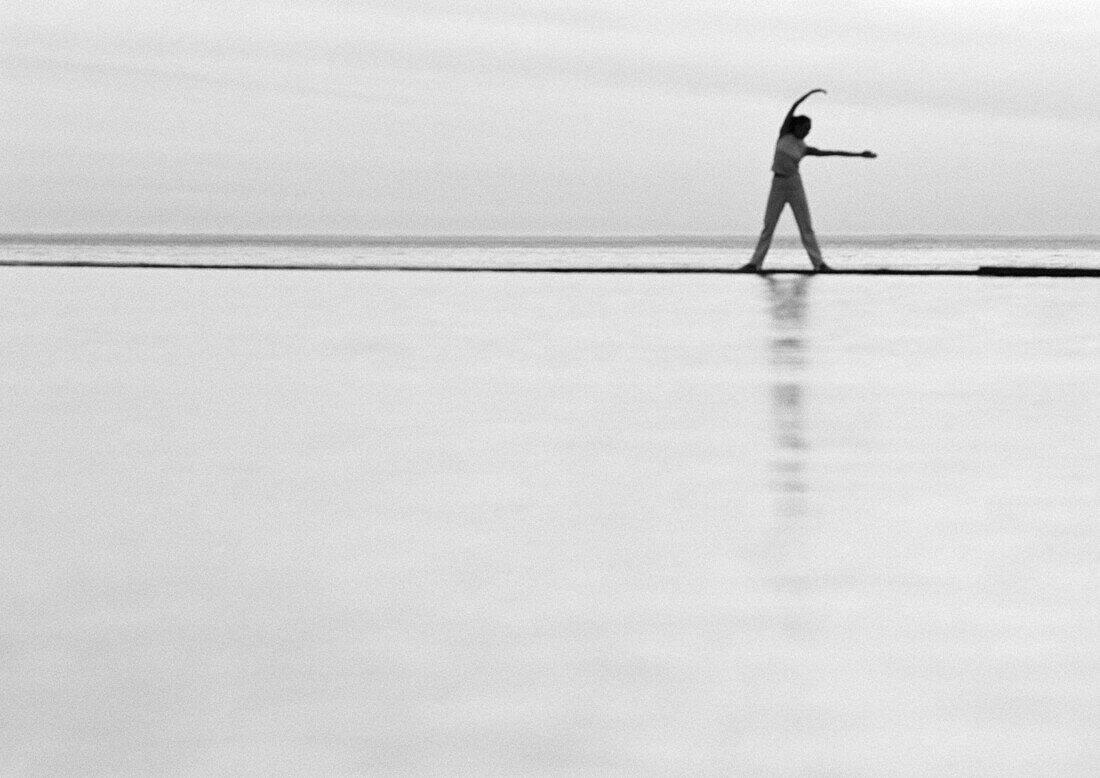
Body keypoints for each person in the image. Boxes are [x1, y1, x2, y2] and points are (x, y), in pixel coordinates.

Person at [744, 89, 876, 272]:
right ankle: (754, 263)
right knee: (769, 224)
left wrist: (860, 155)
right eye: (805, 128)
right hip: (778, 183)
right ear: (796, 126)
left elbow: (830, 152)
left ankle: (819, 264)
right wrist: (812, 93)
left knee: (806, 225)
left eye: (809, 129)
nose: (807, 132)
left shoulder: (803, 147)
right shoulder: (784, 134)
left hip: (794, 184)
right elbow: (793, 107)